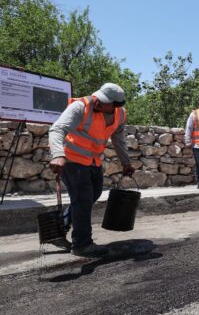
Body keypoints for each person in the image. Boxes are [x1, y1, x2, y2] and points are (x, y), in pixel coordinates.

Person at [48, 83, 135, 257]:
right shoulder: (80, 107)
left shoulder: (120, 115)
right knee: (83, 199)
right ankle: (82, 244)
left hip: (93, 161)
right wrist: (57, 154)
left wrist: (126, 163)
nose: (98, 101)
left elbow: (118, 140)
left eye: (104, 101)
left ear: (115, 105)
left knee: (92, 195)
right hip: (72, 160)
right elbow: (57, 129)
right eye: (99, 97)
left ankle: (58, 229)